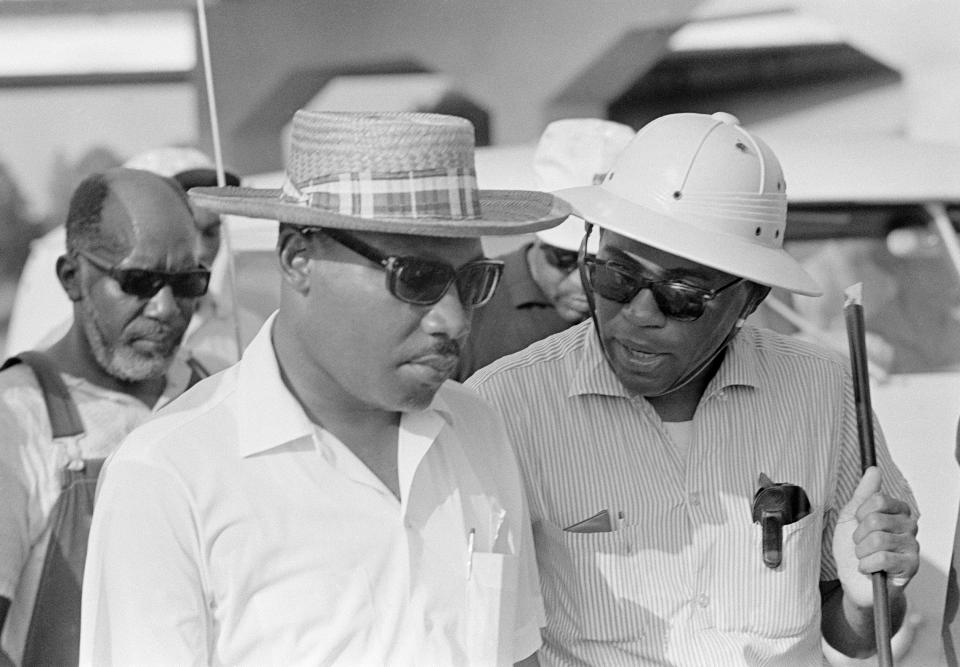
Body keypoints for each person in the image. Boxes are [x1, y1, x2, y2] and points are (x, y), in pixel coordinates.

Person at [79, 110, 571, 666]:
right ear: (298, 259)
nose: (452, 320)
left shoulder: (477, 430)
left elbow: (517, 654)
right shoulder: (171, 474)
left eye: (473, 281)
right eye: (416, 279)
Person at [467, 112, 920, 665]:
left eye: (680, 294)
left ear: (749, 299)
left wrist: (869, 596)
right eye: (615, 277)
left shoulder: (825, 391)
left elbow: (857, 632)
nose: (638, 313)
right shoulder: (502, 407)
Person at [0, 167, 210, 666]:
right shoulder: (19, 422)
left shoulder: (215, 396)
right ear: (72, 278)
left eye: (186, 283)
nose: (164, 308)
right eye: (138, 282)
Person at [5, 147, 255, 372]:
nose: (198, 251)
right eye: (138, 281)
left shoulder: (250, 333)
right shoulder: (51, 370)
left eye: (211, 232)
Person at [457, 118, 634, 380]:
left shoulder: (640, 307)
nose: (581, 282)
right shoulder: (472, 303)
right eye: (563, 258)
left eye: (602, 265)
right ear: (538, 234)